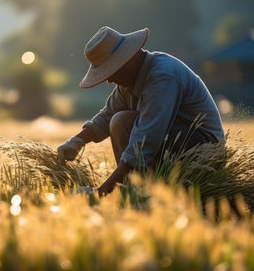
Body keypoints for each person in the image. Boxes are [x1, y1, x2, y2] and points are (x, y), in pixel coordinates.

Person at [57, 26, 224, 196]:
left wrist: (101, 192)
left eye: (111, 71)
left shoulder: (162, 77)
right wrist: (77, 141)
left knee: (122, 122)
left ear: (128, 61)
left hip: (204, 153)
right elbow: (107, 115)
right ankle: (135, 191)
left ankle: (133, 192)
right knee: (118, 119)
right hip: (176, 141)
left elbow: (145, 141)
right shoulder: (129, 79)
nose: (109, 80)